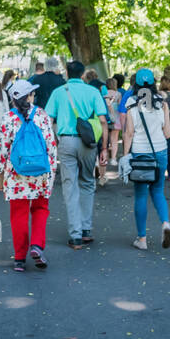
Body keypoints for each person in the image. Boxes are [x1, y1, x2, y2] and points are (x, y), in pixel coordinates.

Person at [0, 80, 58, 272]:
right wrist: (51, 173)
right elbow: (51, 147)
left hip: (16, 174)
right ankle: (37, 245)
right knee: (40, 209)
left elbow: (2, 150)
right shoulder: (42, 116)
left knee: (18, 214)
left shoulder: (8, 118)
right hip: (40, 172)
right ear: (28, 97)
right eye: (32, 93)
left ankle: (20, 258)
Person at [45, 60, 110, 248]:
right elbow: (103, 121)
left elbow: (48, 120)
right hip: (88, 142)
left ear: (67, 73)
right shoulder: (93, 92)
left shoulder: (58, 92)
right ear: (82, 74)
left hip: (66, 141)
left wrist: (51, 144)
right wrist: (104, 148)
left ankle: (75, 234)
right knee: (88, 182)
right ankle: (86, 229)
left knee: (70, 185)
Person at [121, 69, 170, 250]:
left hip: (140, 153)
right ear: (153, 83)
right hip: (160, 151)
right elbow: (168, 134)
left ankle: (142, 239)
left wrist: (125, 155)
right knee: (158, 191)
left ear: (135, 84)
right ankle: (165, 223)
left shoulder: (130, 103)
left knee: (141, 195)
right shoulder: (162, 103)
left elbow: (129, 133)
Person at [104, 75, 123, 164]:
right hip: (116, 118)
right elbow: (120, 106)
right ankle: (113, 159)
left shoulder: (104, 93)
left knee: (105, 139)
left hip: (105, 118)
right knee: (114, 140)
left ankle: (105, 158)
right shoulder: (118, 94)